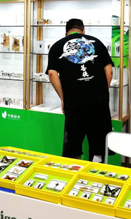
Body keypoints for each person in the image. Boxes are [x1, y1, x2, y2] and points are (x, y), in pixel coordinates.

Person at [46, 18, 113, 162]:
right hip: (98, 100)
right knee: (99, 142)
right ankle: (96, 171)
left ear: (66, 33)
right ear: (83, 30)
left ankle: (75, 172)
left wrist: (63, 98)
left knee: (73, 143)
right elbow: (109, 70)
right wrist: (103, 90)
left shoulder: (57, 46)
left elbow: (52, 74)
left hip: (73, 101)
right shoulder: (97, 43)